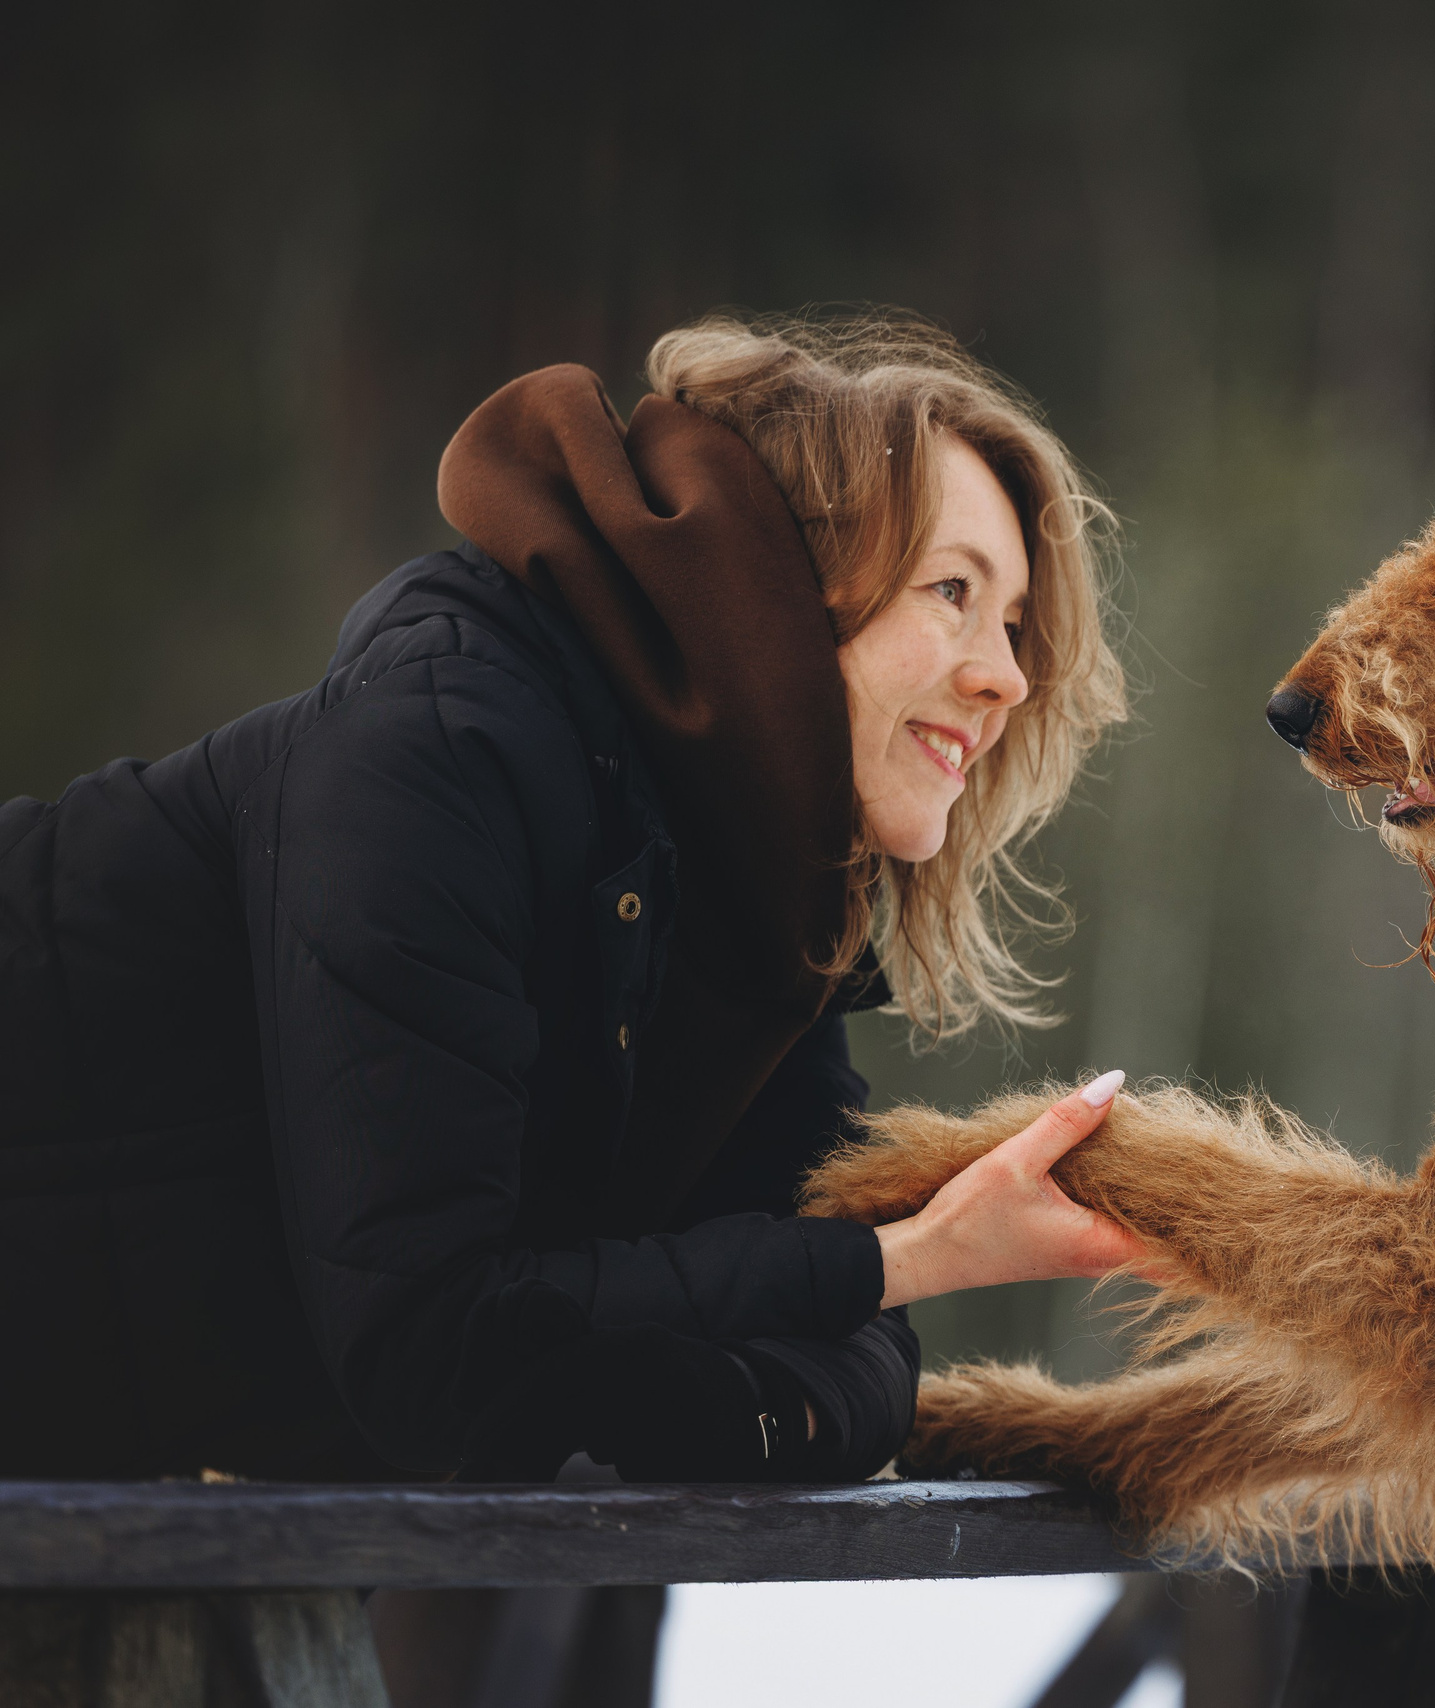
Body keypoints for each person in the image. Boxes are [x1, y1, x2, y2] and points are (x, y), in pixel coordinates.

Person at [0, 313, 1141, 1488]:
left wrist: (753, 1372)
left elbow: (860, 1369)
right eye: (952, 589)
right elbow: (438, 1356)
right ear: (780, 581)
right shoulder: (444, 750)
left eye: (1010, 623)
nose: (1005, 675)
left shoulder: (748, 888)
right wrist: (896, 1259)